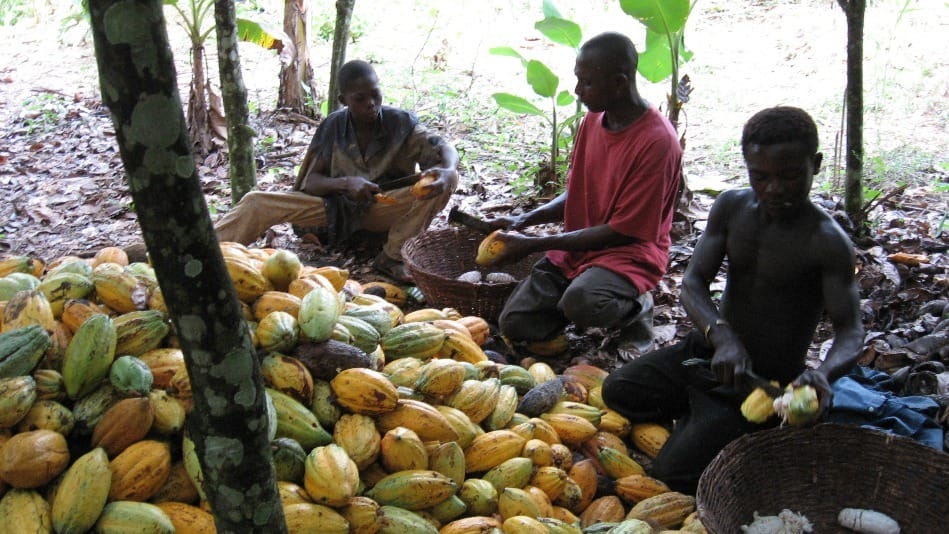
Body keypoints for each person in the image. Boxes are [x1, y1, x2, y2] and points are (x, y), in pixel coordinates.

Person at [601, 106, 866, 494]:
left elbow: (851, 330)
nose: (773, 188)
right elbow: (693, 283)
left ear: (817, 165)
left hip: (763, 383)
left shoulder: (826, 243)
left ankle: (714, 423)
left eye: (790, 176)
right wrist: (721, 336)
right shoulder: (732, 208)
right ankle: (701, 415)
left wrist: (823, 375)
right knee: (618, 390)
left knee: (672, 475)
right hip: (708, 355)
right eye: (760, 176)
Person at [481, 32, 682, 355]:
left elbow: (622, 232)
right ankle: (576, 299)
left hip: (629, 254)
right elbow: (577, 192)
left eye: (586, 82)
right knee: (515, 323)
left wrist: (536, 244)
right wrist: (525, 219)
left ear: (619, 83)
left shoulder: (657, 142)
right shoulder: (593, 120)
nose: (577, 91)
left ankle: (636, 309)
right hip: (580, 248)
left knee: (582, 301)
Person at [213, 60, 459, 282]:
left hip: (385, 207)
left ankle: (391, 257)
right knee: (256, 201)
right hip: (333, 209)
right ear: (344, 100)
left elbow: (443, 148)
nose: (370, 104)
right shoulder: (333, 126)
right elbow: (312, 183)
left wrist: (448, 170)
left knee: (448, 179)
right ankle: (205, 252)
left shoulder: (401, 123)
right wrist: (346, 183)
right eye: (359, 99)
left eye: (375, 94)